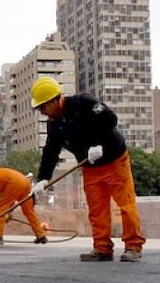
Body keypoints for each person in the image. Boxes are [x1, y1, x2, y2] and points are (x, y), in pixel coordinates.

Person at [30, 76, 145, 262]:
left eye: (43, 107)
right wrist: (43, 178)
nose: (41, 112)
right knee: (97, 210)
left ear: (55, 99)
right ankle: (102, 248)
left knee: (126, 205)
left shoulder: (83, 103)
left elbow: (110, 119)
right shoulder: (54, 123)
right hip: (90, 168)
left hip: (115, 160)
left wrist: (99, 143)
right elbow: (51, 150)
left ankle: (133, 246)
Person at [0, 166, 48, 246]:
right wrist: (9, 212)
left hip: (15, 183)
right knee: (29, 211)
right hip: (25, 182)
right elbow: (10, 198)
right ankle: (41, 236)